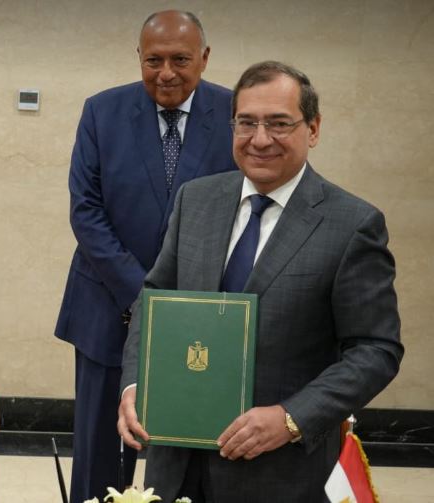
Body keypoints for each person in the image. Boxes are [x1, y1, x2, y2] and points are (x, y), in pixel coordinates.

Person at [117, 61, 404, 502]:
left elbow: (375, 350)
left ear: (313, 129)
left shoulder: (352, 225)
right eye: (246, 122)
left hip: (280, 474)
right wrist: (138, 384)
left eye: (279, 123)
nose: (260, 138)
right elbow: (154, 298)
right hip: (175, 464)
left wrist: (291, 418)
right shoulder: (196, 200)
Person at [54, 10, 237, 501]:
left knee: (184, 455)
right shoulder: (102, 111)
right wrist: (145, 298)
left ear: (204, 57)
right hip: (106, 308)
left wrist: (176, 308)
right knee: (100, 455)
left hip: (198, 318)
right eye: (153, 60)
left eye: (181, 60)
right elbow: (85, 211)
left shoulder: (234, 113)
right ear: (139, 56)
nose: (166, 73)